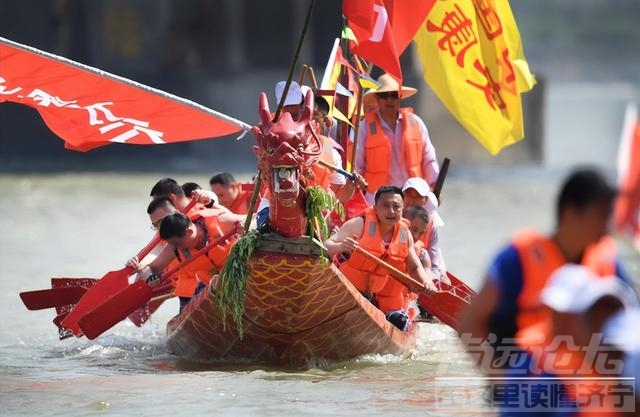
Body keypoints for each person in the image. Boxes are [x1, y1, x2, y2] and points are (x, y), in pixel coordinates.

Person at [458, 167, 633, 410]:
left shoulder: (608, 260)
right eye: (601, 216)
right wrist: (500, 381)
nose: (607, 227)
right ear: (571, 213)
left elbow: (631, 329)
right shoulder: (518, 257)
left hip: (587, 396)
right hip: (529, 387)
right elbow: (469, 324)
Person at [324, 185, 437, 331]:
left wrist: (426, 282)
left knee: (399, 322)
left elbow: (414, 267)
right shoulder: (360, 224)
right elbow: (327, 245)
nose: (391, 211)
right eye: (385, 206)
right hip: (346, 292)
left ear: (402, 209)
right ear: (375, 207)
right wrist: (340, 247)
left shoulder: (404, 234)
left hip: (373, 297)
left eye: (396, 207)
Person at [355, 73, 440, 204]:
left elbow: (429, 158)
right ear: (377, 99)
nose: (389, 100)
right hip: (378, 199)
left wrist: (435, 186)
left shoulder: (416, 123)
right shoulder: (364, 127)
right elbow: (358, 165)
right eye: (384, 96)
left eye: (393, 95)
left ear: (400, 97)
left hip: (413, 196)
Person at [401, 177, 447, 281]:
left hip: (420, 275)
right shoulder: (393, 217)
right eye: (408, 195)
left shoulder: (431, 225)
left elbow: (434, 266)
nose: (412, 200)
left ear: (425, 200)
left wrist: (431, 280)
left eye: (417, 197)